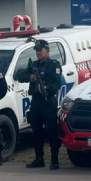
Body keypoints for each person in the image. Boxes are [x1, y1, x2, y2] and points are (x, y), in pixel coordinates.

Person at [17, 39, 62, 170]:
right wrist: (30, 77)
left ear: (47, 51)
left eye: (40, 50)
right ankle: (39, 158)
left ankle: (54, 159)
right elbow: (21, 76)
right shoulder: (33, 65)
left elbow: (57, 85)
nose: (38, 52)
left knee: (51, 131)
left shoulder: (54, 65)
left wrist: (46, 88)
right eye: (36, 50)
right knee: (36, 131)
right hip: (36, 102)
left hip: (48, 102)